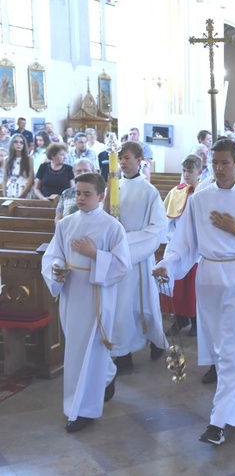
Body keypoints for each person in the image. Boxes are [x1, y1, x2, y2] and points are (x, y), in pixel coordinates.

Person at [154, 138, 235, 445]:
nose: (219, 169)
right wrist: (168, 264)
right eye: (215, 163)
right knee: (222, 352)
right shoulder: (199, 199)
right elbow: (184, 242)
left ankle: (217, 422)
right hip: (207, 277)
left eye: (225, 163)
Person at [41, 173, 131, 433]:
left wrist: (94, 254)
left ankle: (82, 410)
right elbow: (53, 256)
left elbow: (122, 266)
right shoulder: (66, 224)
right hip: (72, 295)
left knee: (88, 351)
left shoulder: (112, 227)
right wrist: (57, 270)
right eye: (78, 193)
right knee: (78, 350)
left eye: (87, 194)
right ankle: (107, 374)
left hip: (97, 296)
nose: (80, 198)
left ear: (101, 196)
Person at [109, 142, 168, 373]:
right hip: (117, 257)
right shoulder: (115, 185)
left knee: (144, 306)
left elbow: (157, 227)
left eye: (127, 157)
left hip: (137, 256)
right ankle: (123, 354)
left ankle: (156, 341)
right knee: (121, 307)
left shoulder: (148, 191)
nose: (123, 162)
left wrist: (127, 242)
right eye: (120, 158)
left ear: (139, 160)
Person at [160, 155, 202, 337]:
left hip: (197, 247)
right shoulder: (175, 192)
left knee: (193, 287)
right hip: (177, 244)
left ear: (200, 172)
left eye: (190, 171)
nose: (186, 175)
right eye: (184, 171)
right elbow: (168, 220)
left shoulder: (204, 192)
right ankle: (179, 318)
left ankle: (195, 320)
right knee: (177, 284)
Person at [55, 159, 96, 223]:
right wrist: (61, 231)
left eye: (86, 170)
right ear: (74, 172)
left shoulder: (98, 192)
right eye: (79, 171)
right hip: (68, 230)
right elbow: (58, 218)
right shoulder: (66, 193)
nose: (82, 173)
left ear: (93, 172)